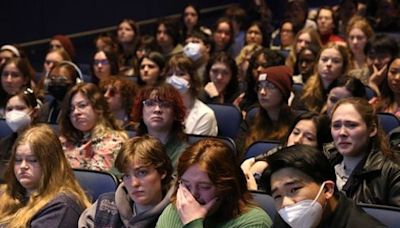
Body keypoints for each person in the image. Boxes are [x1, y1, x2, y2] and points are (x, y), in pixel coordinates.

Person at [156, 139, 273, 227]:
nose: (192, 195)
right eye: (186, 185)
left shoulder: (255, 222)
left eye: (204, 187)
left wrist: (193, 223)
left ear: (226, 187)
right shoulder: (175, 210)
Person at [262, 144, 384, 227]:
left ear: (327, 189)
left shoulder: (363, 225)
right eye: (277, 196)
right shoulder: (284, 219)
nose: (286, 204)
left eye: (294, 189)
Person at [0, 124, 91, 227]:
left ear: (51, 163)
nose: (23, 166)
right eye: (18, 160)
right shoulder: (6, 194)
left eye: (32, 160)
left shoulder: (62, 207)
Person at [79, 135, 174, 227]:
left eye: (142, 172)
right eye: (126, 175)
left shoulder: (177, 213)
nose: (134, 183)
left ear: (162, 172)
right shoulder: (105, 205)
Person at [325, 97, 400, 207]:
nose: (342, 133)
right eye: (336, 126)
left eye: (351, 125)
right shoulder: (323, 162)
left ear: (372, 129)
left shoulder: (392, 173)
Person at [241, 112, 332, 190]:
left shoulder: (319, 179)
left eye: (309, 138)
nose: (297, 140)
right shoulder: (265, 164)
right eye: (295, 133)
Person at [60, 83, 128, 171]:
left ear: (98, 108)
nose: (76, 112)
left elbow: (95, 178)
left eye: (82, 106)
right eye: (71, 109)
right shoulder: (64, 141)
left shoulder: (114, 141)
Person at [240, 66, 295, 152]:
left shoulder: (296, 123)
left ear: (283, 92)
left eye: (270, 86)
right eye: (260, 86)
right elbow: (239, 151)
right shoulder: (252, 118)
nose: (262, 92)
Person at [132, 83, 188, 167]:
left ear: (175, 113)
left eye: (165, 104)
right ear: (141, 111)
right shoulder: (131, 147)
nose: (157, 110)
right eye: (150, 104)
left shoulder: (184, 154)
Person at [165, 54, 217, 136]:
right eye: (169, 74)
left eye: (181, 74)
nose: (173, 79)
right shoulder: (159, 110)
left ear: (192, 79)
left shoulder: (204, 114)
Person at [296, 43, 350, 112]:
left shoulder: (348, 93)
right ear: (317, 63)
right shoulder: (304, 92)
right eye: (324, 60)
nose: (328, 64)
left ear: (344, 67)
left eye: (336, 61)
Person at [0, 89, 41, 180]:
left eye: (20, 108)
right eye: (9, 109)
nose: (14, 113)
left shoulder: (45, 143)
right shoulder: (3, 144)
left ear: (34, 112)